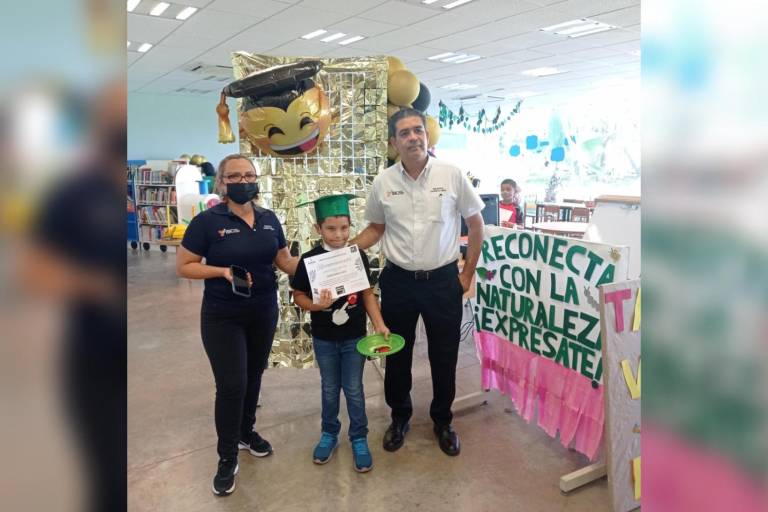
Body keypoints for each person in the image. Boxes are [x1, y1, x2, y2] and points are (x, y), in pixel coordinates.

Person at [351, 108, 485, 457]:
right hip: (399, 281)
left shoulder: (451, 174)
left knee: (445, 354)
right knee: (396, 353)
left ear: (426, 135)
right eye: (405, 133)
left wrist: (466, 274)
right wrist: (343, 251)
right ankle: (399, 417)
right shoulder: (384, 182)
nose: (413, 137)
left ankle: (443, 420)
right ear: (393, 142)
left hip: (443, 281)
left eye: (418, 131)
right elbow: (376, 229)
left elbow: (476, 224)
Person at [176, 154, 298, 497]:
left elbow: (284, 260)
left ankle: (247, 433)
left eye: (249, 175)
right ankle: (226, 458)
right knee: (232, 384)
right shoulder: (207, 221)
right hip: (222, 315)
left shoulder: (269, 219)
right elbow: (184, 265)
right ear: (222, 183)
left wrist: (324, 264)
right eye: (235, 176)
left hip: (262, 311)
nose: (243, 181)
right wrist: (222, 271)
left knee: (254, 376)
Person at [291, 194, 390, 472]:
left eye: (344, 228)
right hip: (324, 338)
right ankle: (329, 433)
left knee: (355, 390)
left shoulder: (356, 255)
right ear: (318, 229)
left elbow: (368, 294)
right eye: (331, 229)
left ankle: (359, 437)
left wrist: (379, 324)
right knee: (330, 389)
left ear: (350, 227)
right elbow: (298, 294)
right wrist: (315, 304)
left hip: (354, 337)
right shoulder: (310, 261)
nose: (339, 235)